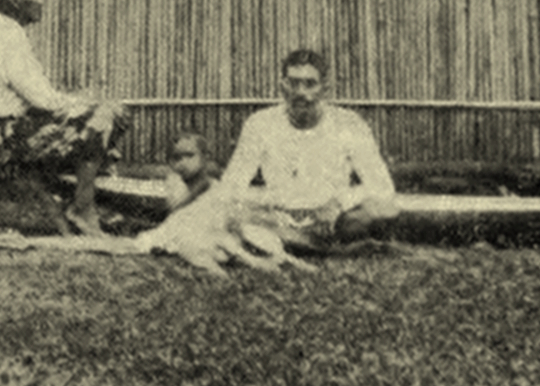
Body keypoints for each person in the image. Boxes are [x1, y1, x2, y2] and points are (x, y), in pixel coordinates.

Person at [0, 0, 125, 236]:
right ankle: (82, 207)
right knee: (107, 115)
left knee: (100, 112)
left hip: (2, 132)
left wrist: (78, 103)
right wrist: (87, 104)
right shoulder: (7, 36)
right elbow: (43, 100)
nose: (40, 1)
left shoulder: (1, 32)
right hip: (5, 138)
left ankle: (87, 202)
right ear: (15, 0)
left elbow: (40, 96)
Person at [210, 47, 399, 249]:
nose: (300, 92)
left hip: (333, 220)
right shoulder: (260, 124)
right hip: (277, 218)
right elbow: (231, 186)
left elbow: (382, 187)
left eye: (310, 84)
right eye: (293, 83)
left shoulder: (349, 124)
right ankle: (307, 242)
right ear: (282, 86)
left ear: (325, 88)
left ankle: (292, 241)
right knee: (227, 211)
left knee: (383, 209)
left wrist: (338, 204)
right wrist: (267, 205)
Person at [160, 133, 218, 215]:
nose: (183, 163)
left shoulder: (215, 188)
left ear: (205, 157)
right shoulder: (175, 184)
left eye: (189, 155)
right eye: (177, 157)